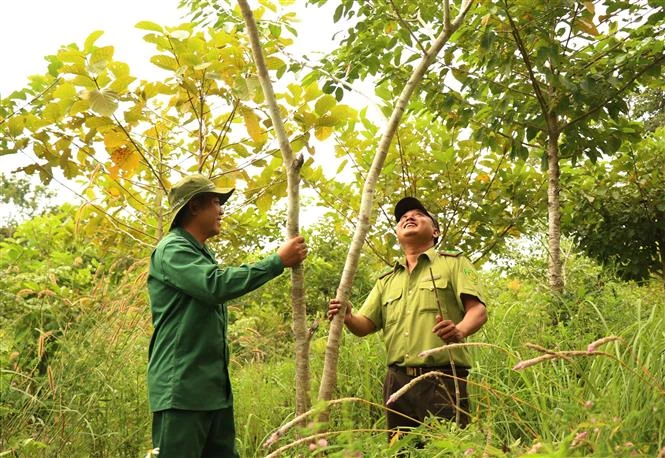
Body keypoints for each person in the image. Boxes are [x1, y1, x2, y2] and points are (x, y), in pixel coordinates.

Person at [147, 174, 307, 458]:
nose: (221, 209)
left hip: (212, 392)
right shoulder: (173, 249)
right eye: (215, 201)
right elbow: (216, 285)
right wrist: (277, 262)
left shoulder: (201, 253)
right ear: (194, 207)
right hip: (182, 392)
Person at [328, 196, 487, 439]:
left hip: (442, 378)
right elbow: (365, 325)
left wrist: (460, 331)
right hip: (397, 383)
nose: (408, 218)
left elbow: (477, 311)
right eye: (402, 218)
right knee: (401, 451)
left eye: (418, 214)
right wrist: (348, 315)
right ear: (397, 235)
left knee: (446, 450)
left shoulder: (453, 263)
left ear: (435, 231)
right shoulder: (387, 280)